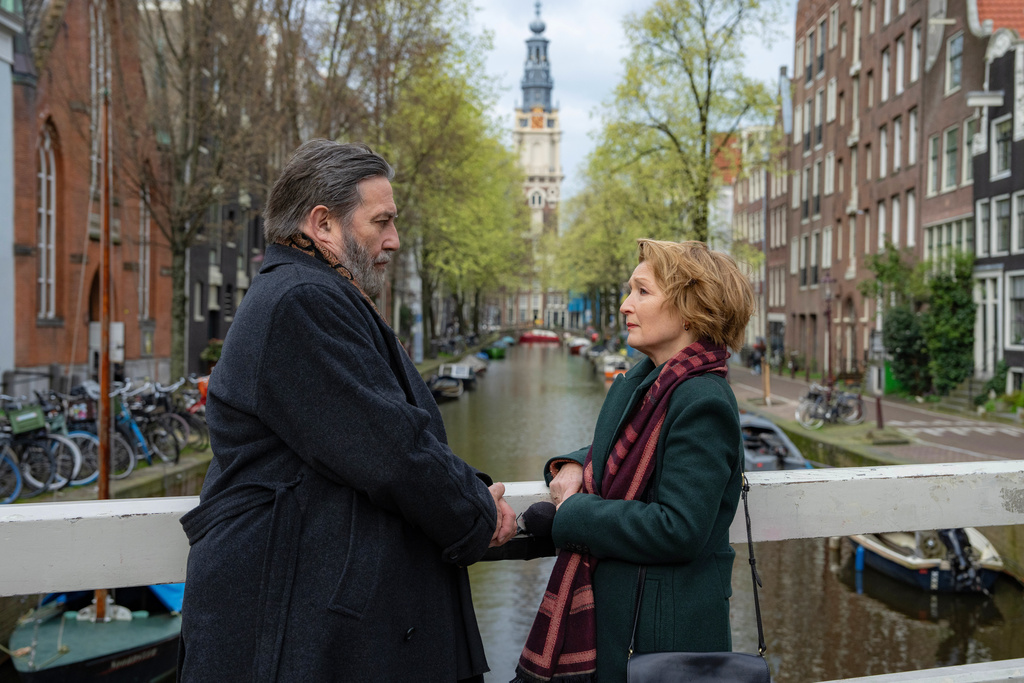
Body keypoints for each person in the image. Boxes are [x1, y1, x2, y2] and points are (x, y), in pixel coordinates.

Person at [178, 140, 516, 683]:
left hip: (315, 622)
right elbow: (390, 450)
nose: (394, 240)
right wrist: (475, 513)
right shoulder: (300, 302)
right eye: (381, 221)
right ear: (324, 224)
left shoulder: (310, 293)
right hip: (301, 634)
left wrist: (468, 491)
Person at [513, 239, 755, 683]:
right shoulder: (651, 382)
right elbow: (625, 449)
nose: (626, 304)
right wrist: (572, 465)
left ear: (689, 309)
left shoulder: (702, 400)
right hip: (632, 626)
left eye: (642, 292)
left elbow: (678, 528)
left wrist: (572, 512)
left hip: (662, 640)